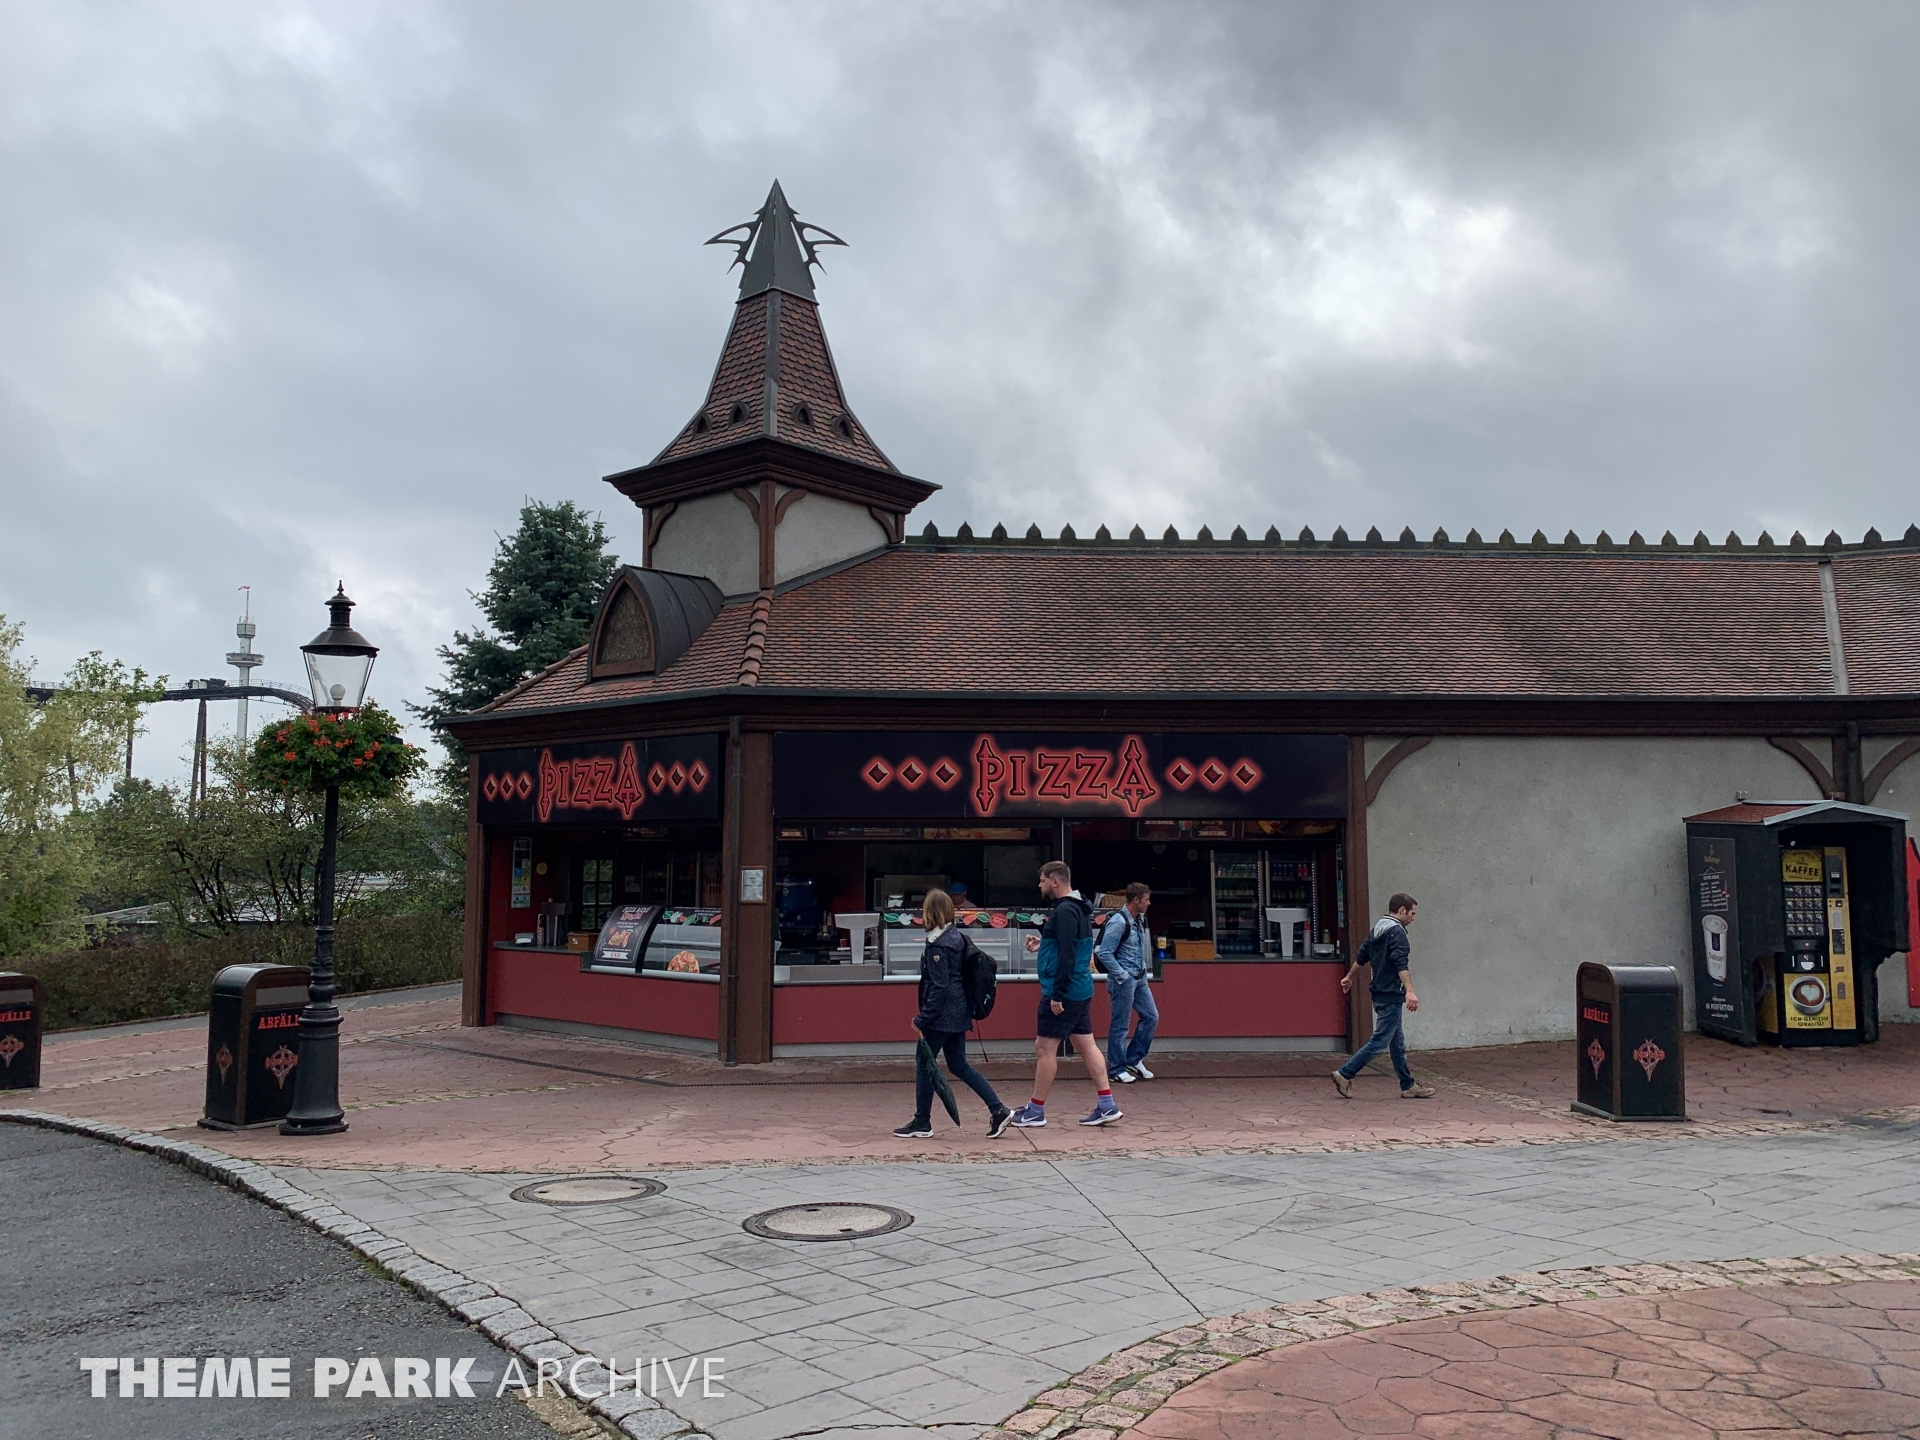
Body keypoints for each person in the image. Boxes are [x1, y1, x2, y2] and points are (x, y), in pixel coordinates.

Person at [1009, 862, 1122, 1127]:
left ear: (1055, 881)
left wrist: (1057, 994)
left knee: (1045, 1048)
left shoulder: (1064, 911)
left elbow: (1068, 954)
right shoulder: (1079, 907)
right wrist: (1044, 944)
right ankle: (1107, 1105)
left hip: (1064, 991)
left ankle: (1035, 1110)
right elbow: (1069, 945)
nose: (1040, 885)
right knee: (1086, 1045)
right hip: (1080, 988)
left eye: (1042, 880)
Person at [894, 888, 1013, 1139]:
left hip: (941, 1016)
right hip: (960, 1012)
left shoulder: (938, 945)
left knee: (924, 1065)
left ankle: (922, 1121)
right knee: (959, 1065)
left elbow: (939, 986)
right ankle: (998, 1109)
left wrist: (923, 1018)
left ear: (930, 912)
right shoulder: (956, 937)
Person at [1332, 893, 1435, 1099]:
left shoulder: (1378, 929)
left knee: (1397, 1044)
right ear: (1402, 910)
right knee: (1379, 1042)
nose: (1413, 918)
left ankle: (1408, 1085)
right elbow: (1400, 963)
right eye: (1412, 913)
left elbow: (1362, 955)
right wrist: (1410, 990)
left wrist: (1349, 977)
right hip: (1390, 994)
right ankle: (1345, 1073)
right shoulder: (1397, 933)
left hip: (1379, 993)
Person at [1099, 882, 1158, 1083]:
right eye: (1146, 899)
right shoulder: (1118, 922)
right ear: (1136, 900)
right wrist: (1122, 975)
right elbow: (1104, 952)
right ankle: (1116, 1069)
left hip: (1139, 977)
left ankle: (1133, 1059)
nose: (1149, 903)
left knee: (1151, 1016)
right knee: (1121, 1025)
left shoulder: (1138, 920)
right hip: (1124, 980)